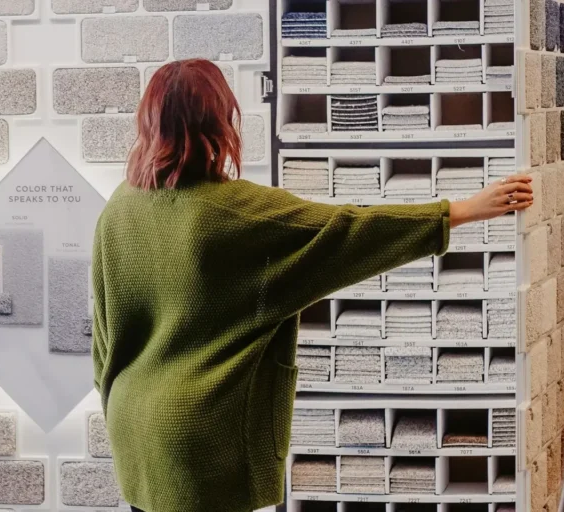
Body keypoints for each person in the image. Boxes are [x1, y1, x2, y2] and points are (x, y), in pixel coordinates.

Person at [90, 59, 533, 512]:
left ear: (150, 120)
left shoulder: (117, 211)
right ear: (218, 120)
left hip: (131, 428)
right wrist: (461, 210)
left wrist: (122, 412)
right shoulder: (237, 213)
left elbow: (102, 345)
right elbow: (348, 231)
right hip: (200, 430)